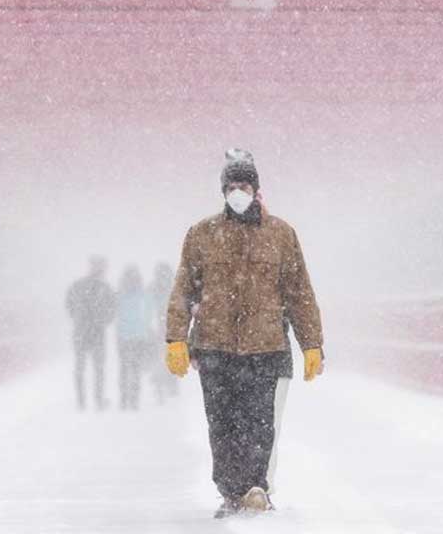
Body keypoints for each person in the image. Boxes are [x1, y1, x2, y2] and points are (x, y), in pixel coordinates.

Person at [164, 149, 325, 519]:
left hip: (265, 347)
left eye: (244, 185)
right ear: (223, 191)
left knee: (259, 423)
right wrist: (175, 338)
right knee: (221, 424)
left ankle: (256, 487)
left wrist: (311, 343)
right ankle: (230, 491)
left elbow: (299, 292)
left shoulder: (281, 235)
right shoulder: (202, 234)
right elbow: (183, 290)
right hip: (214, 347)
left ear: (256, 189)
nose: (238, 191)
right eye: (232, 186)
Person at [66, 256, 116, 411]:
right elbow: (112, 309)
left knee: (81, 367)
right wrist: (102, 321)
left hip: (81, 332)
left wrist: (78, 319)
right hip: (97, 333)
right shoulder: (105, 288)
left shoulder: (78, 285)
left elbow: (69, 305)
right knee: (98, 368)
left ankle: (81, 401)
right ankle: (98, 400)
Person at [116, 265, 152, 410]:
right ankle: (133, 399)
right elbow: (148, 313)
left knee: (125, 368)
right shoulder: (143, 294)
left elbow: (116, 314)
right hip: (137, 336)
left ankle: (125, 398)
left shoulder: (120, 295)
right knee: (134, 368)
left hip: (124, 336)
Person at [147, 262, 179, 404]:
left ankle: (161, 385)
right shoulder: (173, 287)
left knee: (159, 359)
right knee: (167, 357)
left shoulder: (154, 289)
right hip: (166, 328)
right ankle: (168, 384)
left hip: (161, 329)